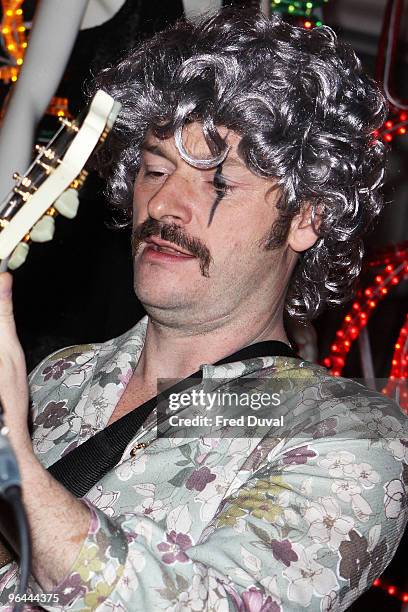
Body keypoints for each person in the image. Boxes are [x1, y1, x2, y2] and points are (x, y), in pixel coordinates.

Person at [0, 7, 406, 611]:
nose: (164, 203)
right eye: (156, 168)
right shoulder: (56, 378)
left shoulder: (351, 437)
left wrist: (13, 465)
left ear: (305, 217)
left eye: (218, 182)